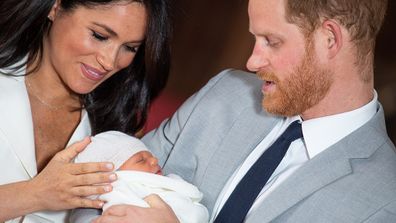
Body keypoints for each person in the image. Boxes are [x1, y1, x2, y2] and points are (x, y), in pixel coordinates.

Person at [76, 0, 396, 222]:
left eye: (271, 41)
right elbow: (95, 189)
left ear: (330, 39)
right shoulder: (226, 93)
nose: (252, 62)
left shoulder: (385, 201)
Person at [0, 0, 171, 222]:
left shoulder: (115, 133)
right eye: (99, 35)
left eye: (130, 48)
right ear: (55, 7)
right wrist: (32, 195)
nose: (109, 61)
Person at [71, 131, 209, 223]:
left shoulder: (170, 182)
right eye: (141, 160)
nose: (155, 160)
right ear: (112, 176)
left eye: (151, 155)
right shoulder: (118, 191)